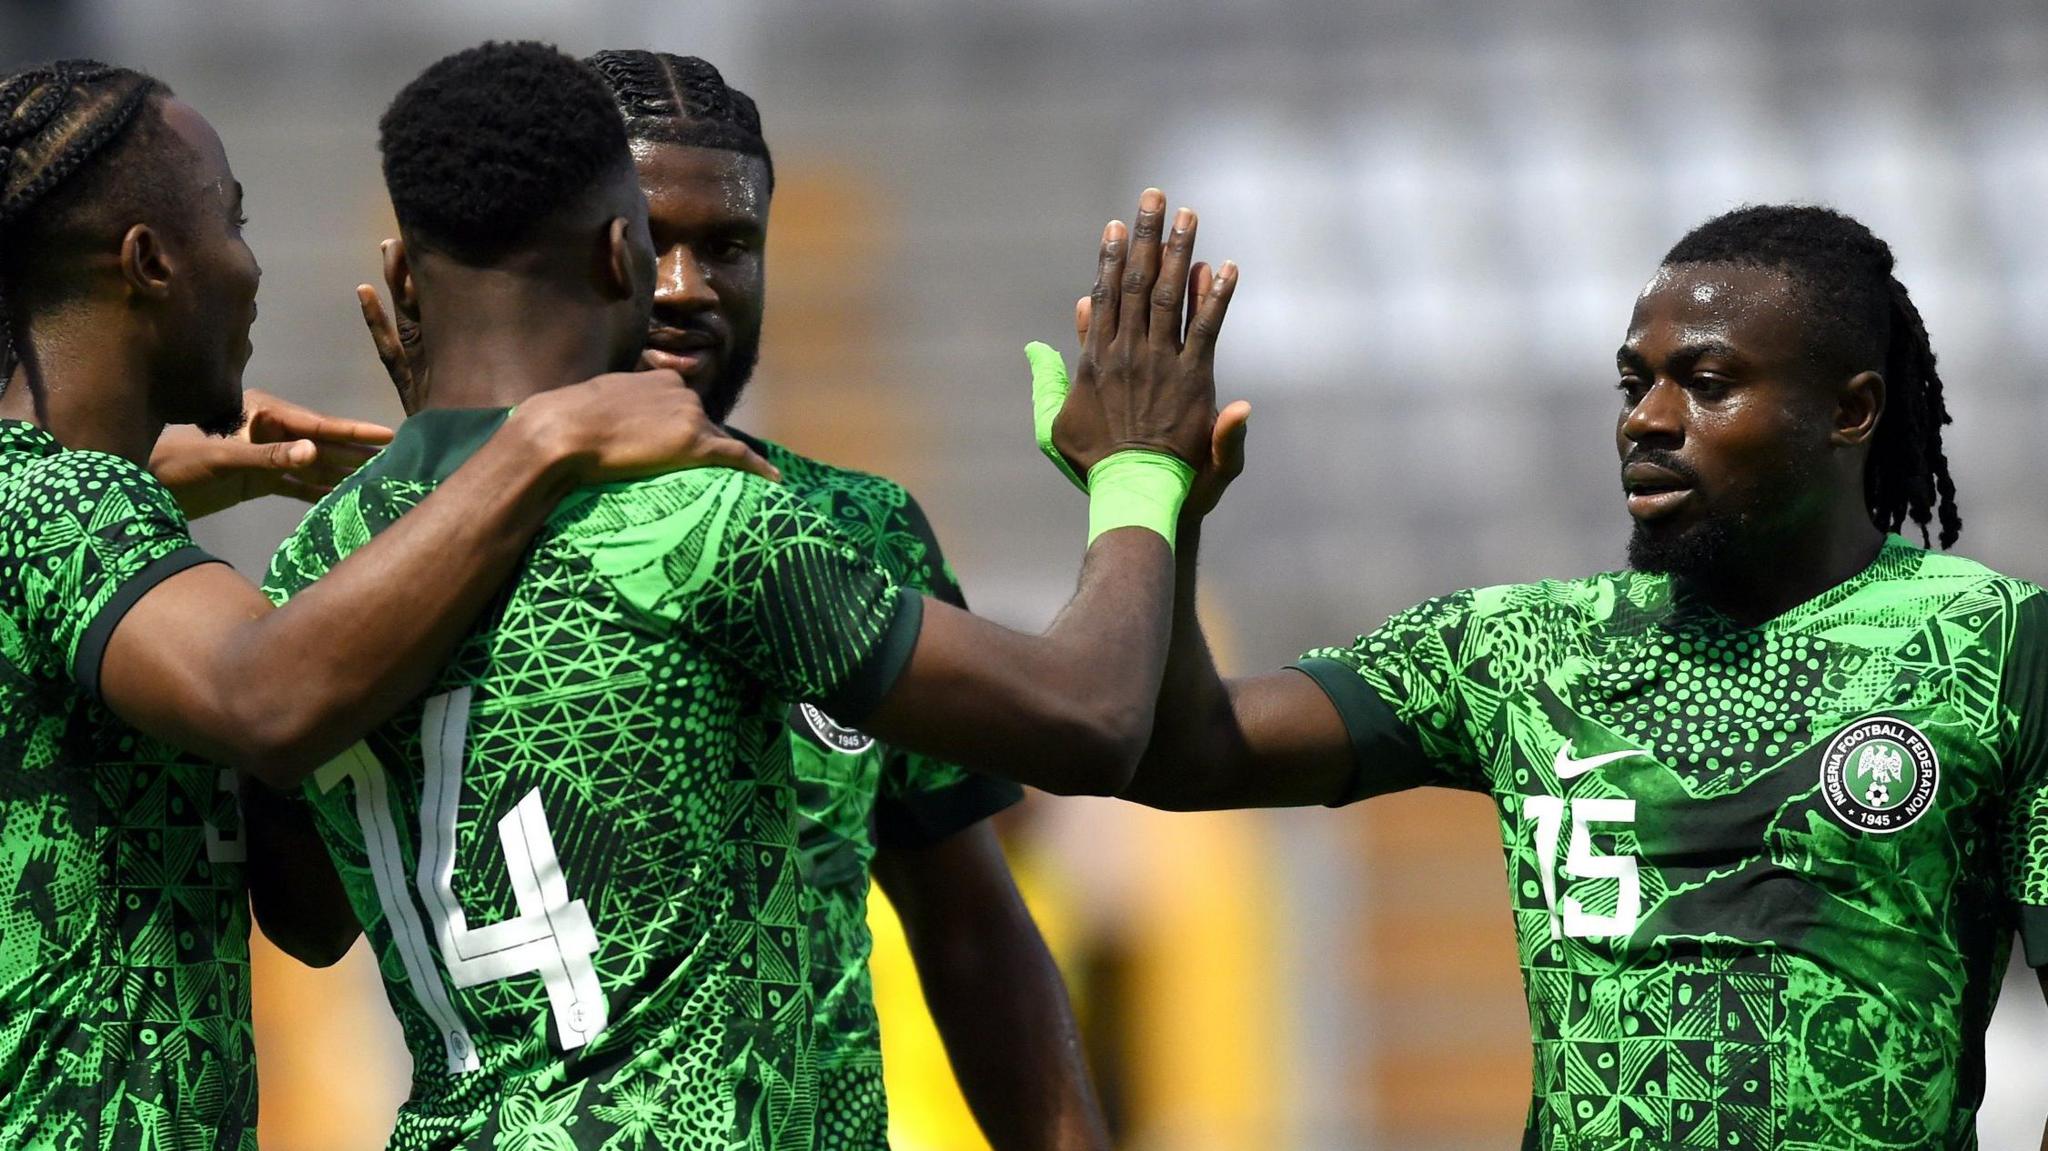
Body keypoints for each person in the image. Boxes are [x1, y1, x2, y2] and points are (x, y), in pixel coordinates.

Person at [263, 40, 1231, 1151]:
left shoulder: (852, 528)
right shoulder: (708, 531)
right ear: (600, 249)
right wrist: (1141, 467)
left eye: (728, 245)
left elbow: (969, 928)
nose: (686, 290)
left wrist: (445, 462)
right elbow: (1092, 719)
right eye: (656, 243)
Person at [1083, 203, 2047, 1148]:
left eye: (1708, 382)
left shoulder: (1999, 643)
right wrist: (1158, 501)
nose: (1650, 420)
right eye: (1635, 384)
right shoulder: (1518, 649)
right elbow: (1187, 755)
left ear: (1850, 410)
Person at [0, 57, 764, 1149]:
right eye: (232, 218)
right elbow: (262, 696)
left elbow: (305, 910)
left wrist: (416, 500)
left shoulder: (70, 508)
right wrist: (540, 442)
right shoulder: (61, 503)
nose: (253, 263)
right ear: (149, 262)